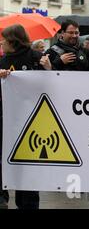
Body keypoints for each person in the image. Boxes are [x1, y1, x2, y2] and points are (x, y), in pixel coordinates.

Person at [0, 24, 52, 210]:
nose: (1, 42)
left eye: (3, 39)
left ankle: (28, 204)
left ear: (13, 40)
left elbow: (51, 84)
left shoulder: (36, 58)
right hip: (5, 121)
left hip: (32, 122)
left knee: (27, 165)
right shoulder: (2, 61)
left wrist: (49, 69)